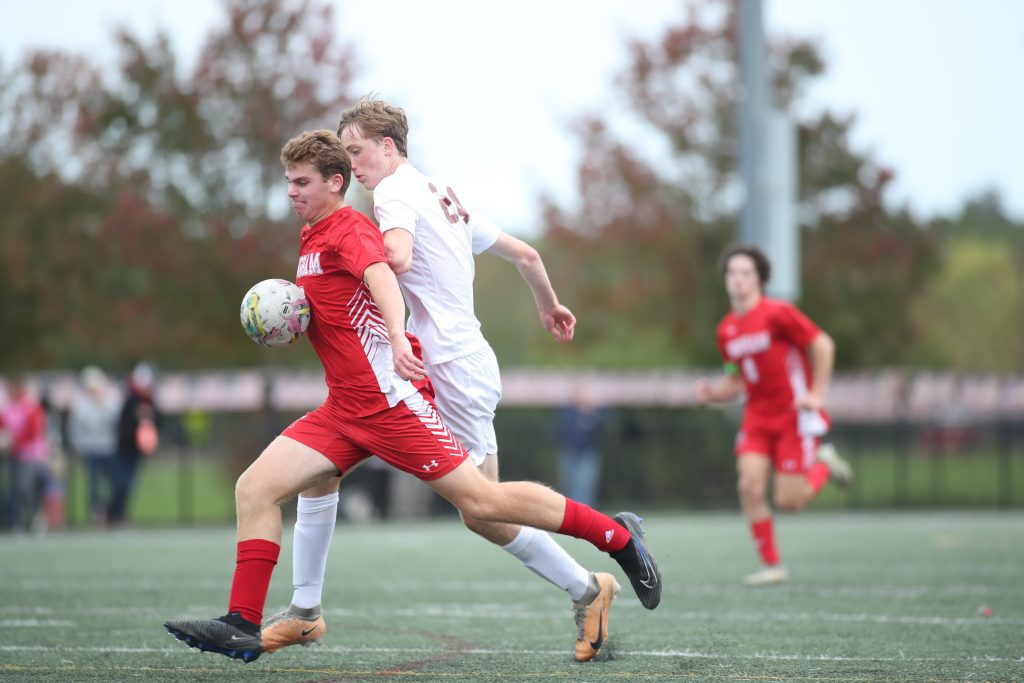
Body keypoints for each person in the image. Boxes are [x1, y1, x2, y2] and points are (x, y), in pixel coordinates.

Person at [163, 130, 661, 664]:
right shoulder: (311, 235)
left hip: (391, 404)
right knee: (257, 488)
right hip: (343, 409)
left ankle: (617, 538)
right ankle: (251, 621)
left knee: (483, 504)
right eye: (288, 181)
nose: (291, 191)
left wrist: (399, 339)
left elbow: (382, 275)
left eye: (301, 182)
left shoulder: (350, 227)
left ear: (335, 182)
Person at [260, 97, 619, 664]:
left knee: (485, 507)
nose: (352, 165)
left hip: (447, 366)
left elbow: (396, 258)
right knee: (330, 474)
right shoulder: (443, 192)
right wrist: (549, 306)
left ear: (387, 146)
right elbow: (527, 255)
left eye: (356, 151)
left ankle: (603, 556)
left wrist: (349, 248)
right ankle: (305, 610)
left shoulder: (392, 192)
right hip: (456, 362)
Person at [695, 244, 853, 586]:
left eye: (746, 273)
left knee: (789, 501)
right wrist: (714, 393)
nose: (738, 279)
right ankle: (772, 565)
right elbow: (737, 379)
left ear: (759, 279)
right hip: (757, 417)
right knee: (749, 485)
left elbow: (823, 344)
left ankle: (824, 465)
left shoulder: (778, 313)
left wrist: (816, 394)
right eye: (732, 272)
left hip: (793, 416)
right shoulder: (726, 330)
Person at [68, 366, 121, 526]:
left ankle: (112, 512)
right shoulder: (80, 405)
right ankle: (97, 513)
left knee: (115, 483)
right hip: (91, 450)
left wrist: (102, 403)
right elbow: (75, 428)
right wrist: (81, 446)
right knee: (94, 484)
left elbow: (116, 421)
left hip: (109, 449)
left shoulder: (110, 400)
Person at [110, 362, 159, 526]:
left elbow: (158, 423)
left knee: (129, 485)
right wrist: (137, 418)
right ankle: (112, 514)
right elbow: (123, 426)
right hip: (123, 450)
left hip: (136, 452)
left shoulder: (150, 401)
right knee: (120, 484)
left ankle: (120, 515)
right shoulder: (130, 401)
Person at [0, 376, 51, 532]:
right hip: (13, 454)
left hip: (30, 455)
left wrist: (14, 442)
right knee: (14, 489)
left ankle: (35, 516)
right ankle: (16, 522)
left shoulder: (30, 406)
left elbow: (34, 430)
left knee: (25, 488)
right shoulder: (8, 407)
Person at [556, 384, 606, 507]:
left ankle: (583, 512)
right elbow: (560, 432)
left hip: (587, 453)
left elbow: (602, 430)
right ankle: (570, 511)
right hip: (569, 452)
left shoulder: (595, 413)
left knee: (584, 485)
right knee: (568, 483)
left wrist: (590, 415)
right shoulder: (567, 412)